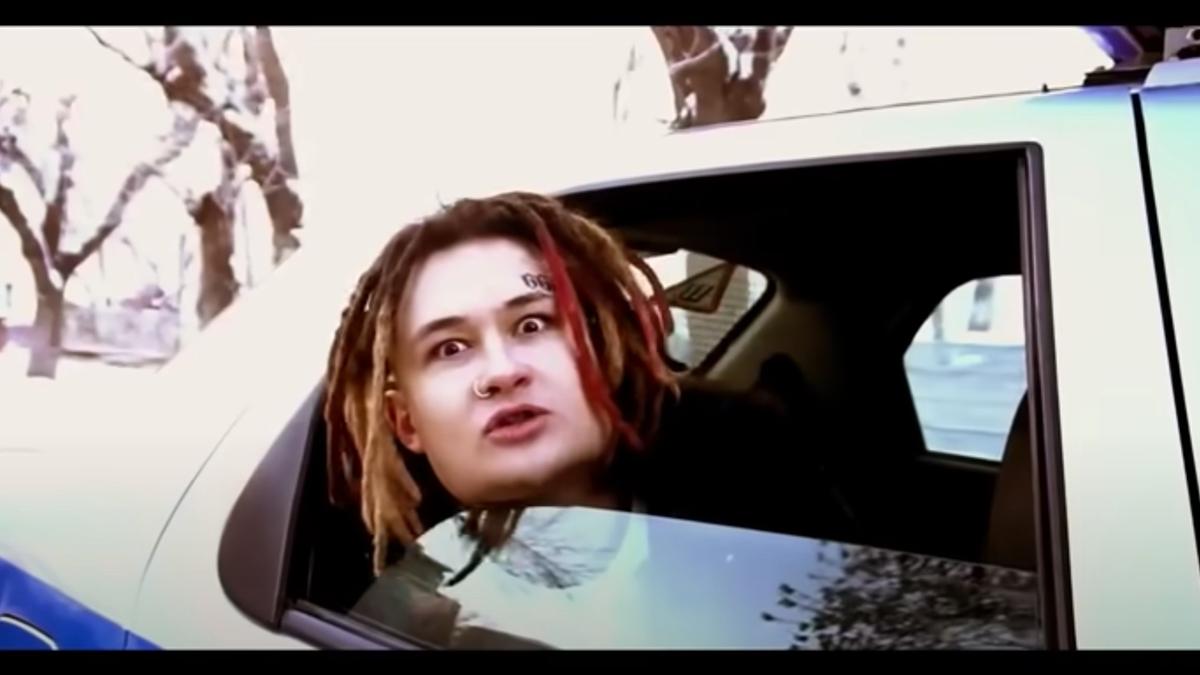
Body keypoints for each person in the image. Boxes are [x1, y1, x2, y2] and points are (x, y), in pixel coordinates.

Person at [321, 191, 853, 648]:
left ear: (606, 354)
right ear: (406, 422)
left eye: (532, 324)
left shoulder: (774, 541)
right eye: (450, 348)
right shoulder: (399, 621)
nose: (502, 372)